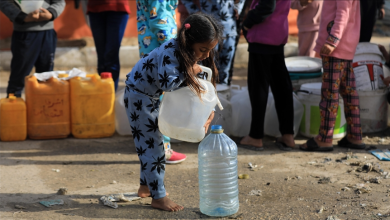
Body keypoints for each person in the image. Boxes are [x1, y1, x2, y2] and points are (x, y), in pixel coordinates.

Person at [124, 13, 222, 211]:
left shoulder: (184, 51)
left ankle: (146, 187)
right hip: (139, 98)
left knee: (148, 143)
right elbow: (168, 84)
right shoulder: (171, 52)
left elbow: (200, 89)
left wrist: (209, 109)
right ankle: (158, 197)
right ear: (189, 40)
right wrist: (190, 72)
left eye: (210, 50)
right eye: (203, 50)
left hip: (145, 96)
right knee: (155, 148)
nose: (206, 56)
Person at [300, 0, 365, 151]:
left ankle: (324, 138)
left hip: (335, 48)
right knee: (349, 92)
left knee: (330, 94)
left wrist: (332, 41)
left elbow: (343, 14)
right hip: (346, 46)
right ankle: (355, 136)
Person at [239, 0, 295, 151]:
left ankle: (255, 136)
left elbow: (267, 5)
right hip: (278, 34)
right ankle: (287, 135)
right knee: (282, 87)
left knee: (258, 88)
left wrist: (247, 22)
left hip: (262, 34)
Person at [136, 0, 187, 164]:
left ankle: (155, 146)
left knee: (153, 101)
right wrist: (175, 49)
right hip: (161, 52)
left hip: (150, 51)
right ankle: (162, 149)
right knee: (160, 103)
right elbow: (160, 22)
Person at [0, 0, 65, 98]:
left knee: (45, 76)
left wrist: (51, 13)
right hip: (24, 35)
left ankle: (44, 106)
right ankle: (13, 107)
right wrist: (23, 17)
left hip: (47, 33)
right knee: (19, 74)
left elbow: (60, 2)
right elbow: (4, 2)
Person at [182, 0, 245, 84]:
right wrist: (194, 11)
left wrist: (238, 7)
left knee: (225, 69)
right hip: (208, 31)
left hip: (230, 30)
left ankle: (222, 93)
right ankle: (204, 93)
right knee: (205, 68)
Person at [87, 0, 130, 91]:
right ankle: (104, 94)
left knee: (111, 54)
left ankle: (111, 93)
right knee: (101, 56)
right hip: (95, 8)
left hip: (118, 7)